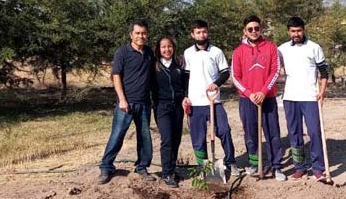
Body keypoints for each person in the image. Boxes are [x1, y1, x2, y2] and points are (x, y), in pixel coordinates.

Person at [98, 19, 155, 184]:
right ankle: (106, 167)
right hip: (126, 103)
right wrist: (122, 100)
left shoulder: (150, 53)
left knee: (145, 137)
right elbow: (116, 77)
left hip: (144, 103)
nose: (141, 36)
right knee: (117, 135)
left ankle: (142, 167)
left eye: (143, 33)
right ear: (131, 35)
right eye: (137, 33)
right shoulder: (122, 52)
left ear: (147, 35)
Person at [231, 15, 285, 181]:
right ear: (245, 31)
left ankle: (277, 166)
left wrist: (263, 91)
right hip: (248, 100)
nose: (254, 31)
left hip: (267, 98)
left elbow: (275, 71)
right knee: (251, 134)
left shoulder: (271, 48)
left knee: (272, 133)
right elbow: (235, 76)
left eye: (257, 28)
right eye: (250, 29)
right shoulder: (238, 52)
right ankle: (255, 163)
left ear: (261, 29)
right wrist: (250, 93)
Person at [182, 20, 240, 176]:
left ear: (208, 32)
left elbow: (225, 72)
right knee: (198, 136)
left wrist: (216, 84)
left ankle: (231, 162)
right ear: (193, 34)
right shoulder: (188, 53)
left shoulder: (216, 52)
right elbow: (186, 76)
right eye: (198, 32)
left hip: (214, 100)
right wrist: (185, 96)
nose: (202, 35)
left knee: (224, 130)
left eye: (204, 31)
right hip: (195, 102)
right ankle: (204, 167)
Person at [278, 16, 329, 182]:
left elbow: (324, 72)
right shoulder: (282, 49)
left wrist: (322, 92)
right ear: (288, 32)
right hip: (290, 97)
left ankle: (318, 168)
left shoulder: (314, 47)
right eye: (293, 31)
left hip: (310, 97)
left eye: (299, 30)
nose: (296, 34)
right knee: (294, 133)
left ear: (303, 30)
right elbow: (276, 70)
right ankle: (300, 167)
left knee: (314, 132)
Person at [152, 37, 187, 188]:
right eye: (163, 47)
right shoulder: (154, 67)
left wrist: (185, 96)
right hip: (162, 107)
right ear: (158, 49)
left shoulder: (179, 64)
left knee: (176, 139)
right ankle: (166, 173)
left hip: (178, 107)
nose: (167, 50)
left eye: (170, 46)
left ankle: (172, 169)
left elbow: (185, 83)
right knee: (166, 140)